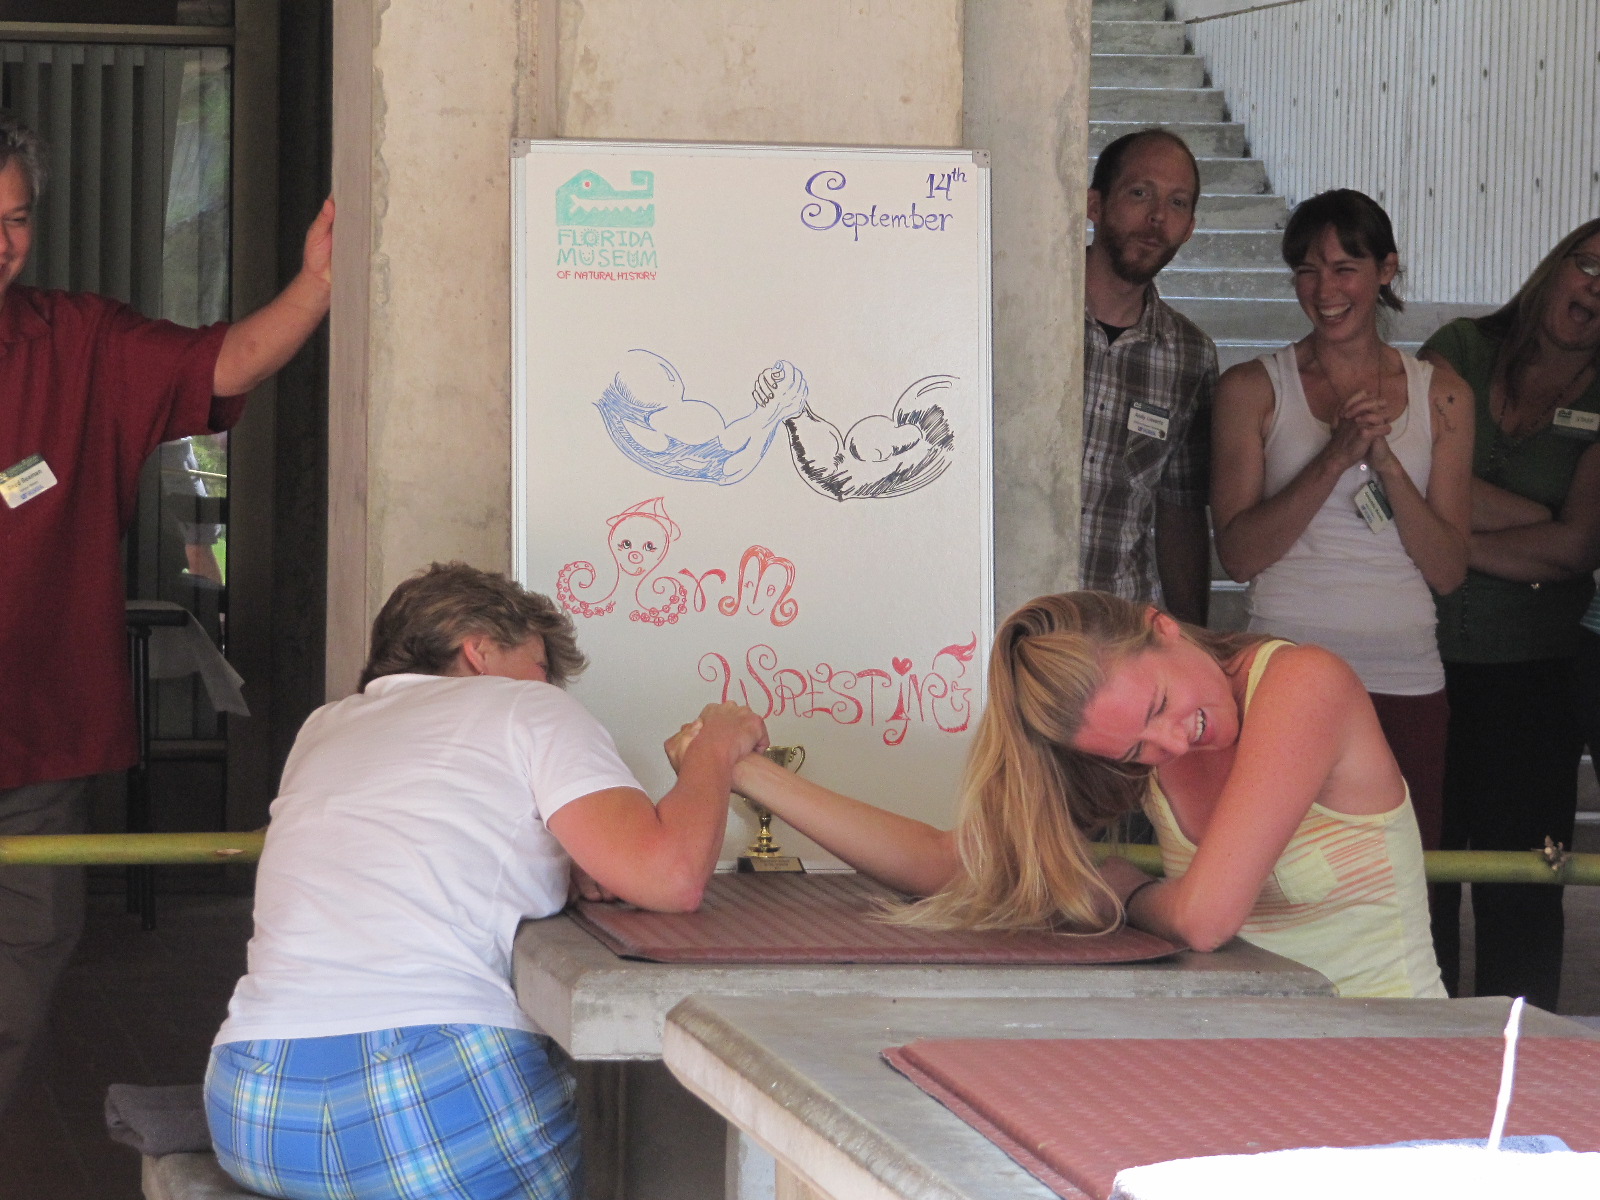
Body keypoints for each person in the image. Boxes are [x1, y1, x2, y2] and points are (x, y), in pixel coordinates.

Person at [204, 563, 767, 1200]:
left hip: (255, 1106)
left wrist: (572, 860)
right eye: (538, 664)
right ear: (478, 651)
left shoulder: (325, 726)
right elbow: (671, 878)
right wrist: (714, 750)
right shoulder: (527, 707)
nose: (548, 684)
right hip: (432, 1098)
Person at [0, 111, 333, 1118]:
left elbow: (218, 365)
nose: (1, 244)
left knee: (25, 961)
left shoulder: (77, 341)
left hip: (37, 742)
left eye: (15, 219)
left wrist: (319, 282)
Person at [683, 591, 1445, 1000]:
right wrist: (747, 772)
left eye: (1157, 709)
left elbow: (1207, 919)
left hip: (1388, 1044)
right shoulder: (1137, 746)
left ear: (1164, 629)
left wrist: (1127, 887)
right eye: (1136, 750)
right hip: (1241, 1047)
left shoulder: (1303, 683)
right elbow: (955, 863)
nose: (1170, 746)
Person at [1210, 190, 1473, 855]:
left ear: (1386, 270)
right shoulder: (1253, 388)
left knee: (1403, 884)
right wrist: (1332, 458)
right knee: (1279, 882)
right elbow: (1238, 556)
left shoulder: (1441, 394)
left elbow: (1447, 570)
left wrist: (1384, 461)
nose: (1323, 289)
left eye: (1342, 267)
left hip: (1405, 670)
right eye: (1305, 269)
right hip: (1285, 664)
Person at [1418, 218, 1600, 1010]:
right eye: (1588, 266)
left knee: (1523, 891)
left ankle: (1519, 1088)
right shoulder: (1460, 344)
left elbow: (1574, 552)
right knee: (1414, 882)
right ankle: (1403, 1082)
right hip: (1419, 662)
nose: (1596, 290)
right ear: (1553, 266)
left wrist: (1443, 532)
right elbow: (1410, 464)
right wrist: (1529, 519)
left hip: (1534, 676)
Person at [1080, 128, 1216, 626]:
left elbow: (1180, 513)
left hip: (1115, 633)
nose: (1157, 218)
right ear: (1095, 204)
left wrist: (1193, 638)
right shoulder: (1023, 314)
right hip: (1001, 616)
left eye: (1177, 203)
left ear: (1190, 228)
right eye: (1140, 194)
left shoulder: (1190, 356)